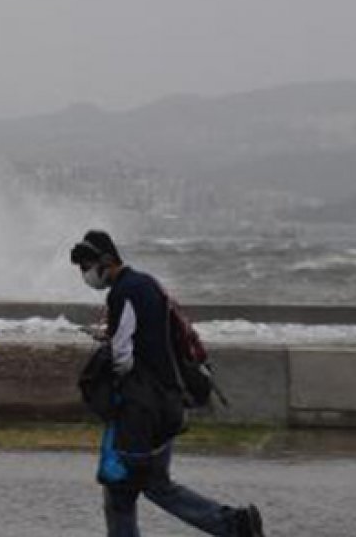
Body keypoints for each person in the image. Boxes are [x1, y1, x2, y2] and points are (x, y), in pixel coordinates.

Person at [70, 230, 264, 537]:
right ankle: (233, 524)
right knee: (154, 485)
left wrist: (111, 371)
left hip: (141, 410)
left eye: (86, 266)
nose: (85, 274)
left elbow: (123, 355)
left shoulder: (123, 291)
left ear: (106, 261)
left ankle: (232, 524)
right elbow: (154, 338)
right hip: (166, 402)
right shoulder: (148, 284)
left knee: (122, 492)